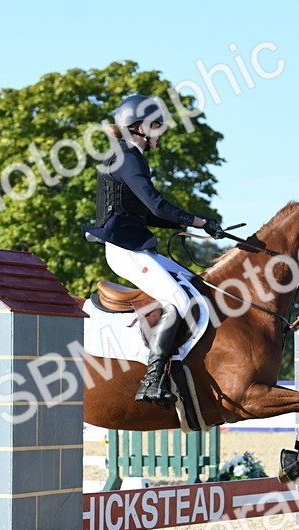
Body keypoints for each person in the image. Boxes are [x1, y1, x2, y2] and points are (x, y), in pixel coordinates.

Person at [82, 93, 224, 407]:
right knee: (178, 300)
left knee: (195, 284)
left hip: (137, 246)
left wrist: (197, 223)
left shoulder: (129, 157)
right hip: (125, 250)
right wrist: (199, 221)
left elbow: (149, 215)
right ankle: (153, 379)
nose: (160, 133)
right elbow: (157, 205)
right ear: (139, 128)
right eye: (156, 126)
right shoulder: (127, 158)